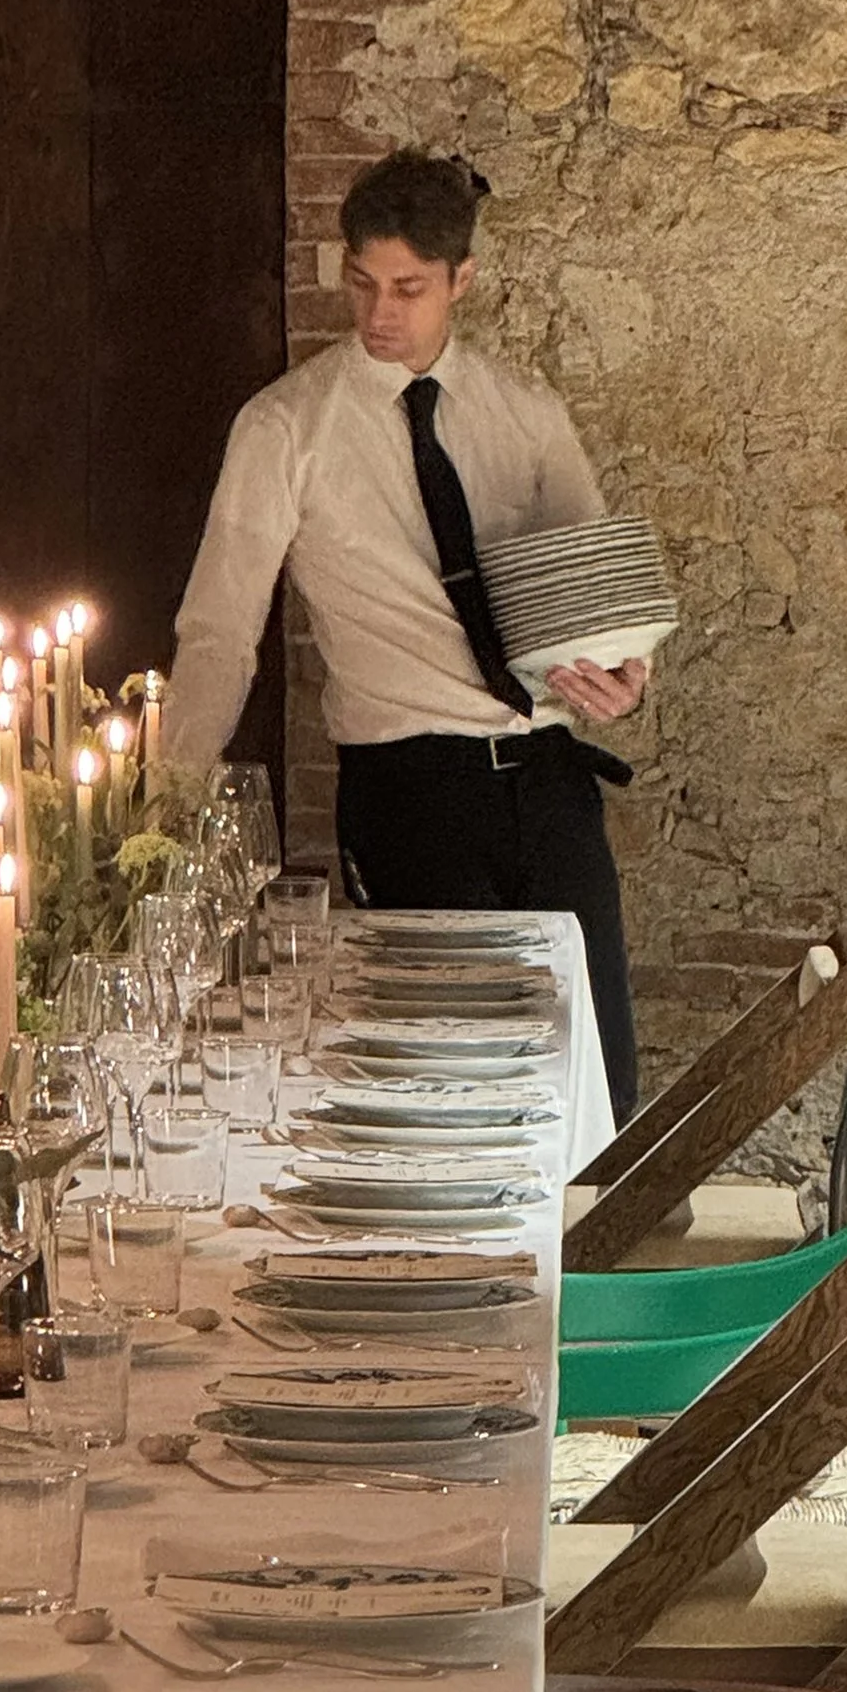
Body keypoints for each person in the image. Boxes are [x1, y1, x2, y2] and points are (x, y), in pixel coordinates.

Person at [163, 146, 644, 1115]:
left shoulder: (526, 413)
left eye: (408, 288)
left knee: (597, 1096)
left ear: (462, 280)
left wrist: (627, 677)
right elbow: (219, 630)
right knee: (449, 1095)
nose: (379, 312)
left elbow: (601, 601)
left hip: (549, 783)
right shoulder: (283, 429)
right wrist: (166, 805)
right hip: (409, 791)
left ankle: (590, 1269)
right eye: (362, 282)